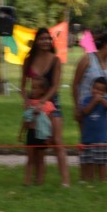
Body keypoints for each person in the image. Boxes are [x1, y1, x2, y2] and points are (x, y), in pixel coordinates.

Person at [20, 27, 68, 186]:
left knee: (56, 141)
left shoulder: (55, 60)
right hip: (34, 107)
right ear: (36, 41)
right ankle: (35, 180)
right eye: (42, 39)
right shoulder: (28, 60)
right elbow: (22, 86)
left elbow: (55, 86)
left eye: (48, 39)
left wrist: (43, 102)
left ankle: (65, 181)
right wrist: (26, 101)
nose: (45, 42)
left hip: (52, 104)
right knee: (35, 144)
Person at [73, 32, 107, 128]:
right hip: (87, 107)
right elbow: (75, 84)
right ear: (106, 44)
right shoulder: (87, 59)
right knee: (87, 139)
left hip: (104, 110)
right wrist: (77, 106)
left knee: (102, 140)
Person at [19, 77, 57, 186]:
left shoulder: (48, 105)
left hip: (42, 136)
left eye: (35, 88)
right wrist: (21, 133)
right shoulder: (29, 104)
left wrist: (50, 137)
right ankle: (27, 181)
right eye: (32, 87)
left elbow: (51, 122)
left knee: (40, 160)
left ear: (43, 90)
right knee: (30, 159)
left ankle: (39, 181)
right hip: (31, 134)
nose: (32, 90)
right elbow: (26, 119)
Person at [80, 77, 107, 182]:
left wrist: (102, 101)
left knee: (102, 162)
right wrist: (94, 102)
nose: (97, 91)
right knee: (88, 161)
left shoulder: (106, 101)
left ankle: (102, 180)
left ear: (104, 92)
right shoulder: (86, 100)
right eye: (95, 88)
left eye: (100, 90)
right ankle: (89, 180)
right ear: (91, 88)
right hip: (88, 139)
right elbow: (85, 111)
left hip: (101, 139)